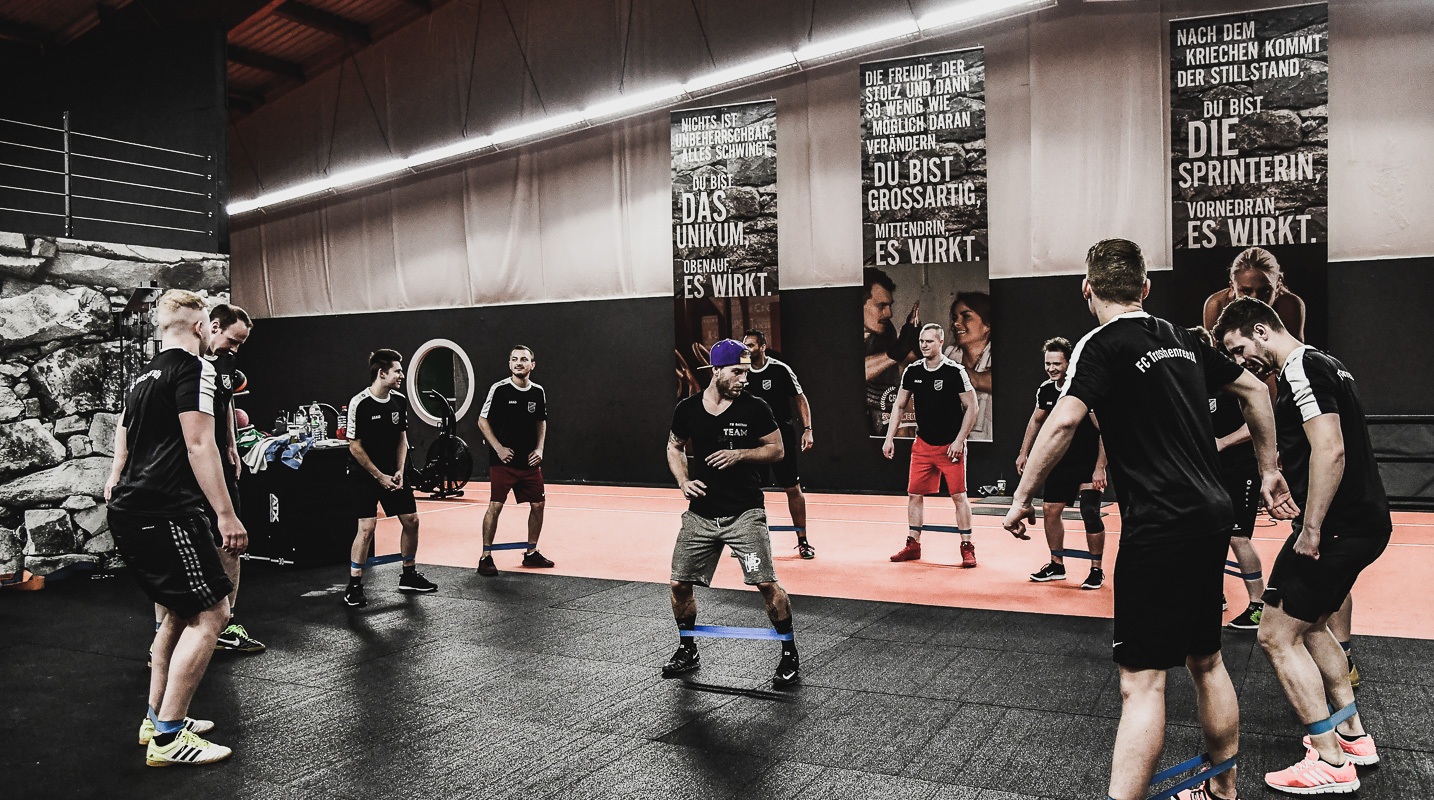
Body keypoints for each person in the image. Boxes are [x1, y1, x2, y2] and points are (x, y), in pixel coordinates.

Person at [1003, 239, 1296, 800]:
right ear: (1146, 288)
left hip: (1159, 523)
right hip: (1211, 514)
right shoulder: (1184, 339)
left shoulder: (1100, 343)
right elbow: (1257, 390)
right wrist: (1270, 469)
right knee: (1206, 659)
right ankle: (1224, 788)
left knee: (1141, 682)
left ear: (1087, 290)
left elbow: (1063, 423)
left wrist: (1022, 496)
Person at [1216, 297, 1391, 794]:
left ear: (1261, 330)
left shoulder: (1301, 368)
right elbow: (1326, 448)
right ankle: (1353, 736)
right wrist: (1285, 481)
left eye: (1239, 348)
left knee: (1274, 634)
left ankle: (1331, 763)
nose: (1239, 361)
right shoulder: (1325, 363)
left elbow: (1330, 448)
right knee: (1311, 626)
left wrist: (1311, 527)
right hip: (1358, 523)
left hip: (1336, 529)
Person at [106, 289, 248, 766]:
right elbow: (199, 444)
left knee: (173, 615)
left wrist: (113, 476)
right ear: (199, 328)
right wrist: (226, 515)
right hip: (166, 510)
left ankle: (156, 717)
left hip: (132, 506)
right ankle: (168, 737)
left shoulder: (142, 376)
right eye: (211, 327)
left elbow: (123, 433)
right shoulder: (196, 369)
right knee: (213, 615)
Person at [107, 303, 266, 657]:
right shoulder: (185, 368)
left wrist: (231, 446)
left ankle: (224, 624)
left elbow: (222, 404)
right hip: (176, 483)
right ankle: (170, 637)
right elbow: (133, 421)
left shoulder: (217, 366)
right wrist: (118, 469)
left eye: (242, 343)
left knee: (230, 548)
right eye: (233, 339)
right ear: (207, 326)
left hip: (210, 466)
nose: (235, 348)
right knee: (182, 570)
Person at [663, 339, 799, 688]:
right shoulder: (688, 408)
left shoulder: (756, 408)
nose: (744, 378)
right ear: (717, 370)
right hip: (701, 513)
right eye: (738, 371)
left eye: (747, 371)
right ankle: (687, 649)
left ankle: (788, 652)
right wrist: (683, 481)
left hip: (744, 512)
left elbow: (777, 450)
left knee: (767, 583)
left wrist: (739, 454)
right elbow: (674, 445)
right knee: (679, 583)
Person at [343, 349, 437, 607]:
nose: (401, 375)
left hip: (392, 474)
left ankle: (408, 575)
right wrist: (379, 476)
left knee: (411, 520)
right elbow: (355, 447)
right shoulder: (359, 403)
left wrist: (399, 470)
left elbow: (401, 439)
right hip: (364, 474)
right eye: (397, 371)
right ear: (381, 373)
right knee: (367, 528)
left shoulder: (399, 401)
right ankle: (354, 585)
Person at [883, 323, 980, 567]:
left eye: (929, 341)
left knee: (959, 495)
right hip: (923, 444)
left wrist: (959, 440)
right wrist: (889, 438)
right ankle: (913, 545)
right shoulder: (913, 371)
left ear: (940, 342)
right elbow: (899, 405)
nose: (924, 345)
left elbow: (972, 407)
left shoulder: (955, 371)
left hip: (950, 446)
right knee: (914, 494)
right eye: (921, 341)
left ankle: (967, 546)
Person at [1189, 326, 1266, 631]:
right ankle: (1213, 595)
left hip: (1240, 470)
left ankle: (1259, 605)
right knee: (1208, 535)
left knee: (1237, 536)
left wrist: (1221, 442)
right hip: (1211, 473)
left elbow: (1256, 425)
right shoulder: (1195, 384)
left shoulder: (1232, 380)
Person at [1017, 337, 1109, 590]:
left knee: (1089, 512)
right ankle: (1056, 565)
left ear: (1069, 363)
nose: (1052, 368)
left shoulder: (1084, 389)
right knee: (1050, 511)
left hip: (1089, 463)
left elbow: (1106, 431)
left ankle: (1096, 570)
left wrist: (1100, 467)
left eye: (1057, 363)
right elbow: (1036, 421)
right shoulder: (1046, 390)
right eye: (1048, 363)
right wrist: (1024, 452)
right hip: (1060, 463)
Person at [475, 345, 552, 576]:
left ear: (532, 365)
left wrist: (539, 448)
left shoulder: (538, 392)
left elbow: (541, 421)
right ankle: (485, 557)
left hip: (529, 462)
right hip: (503, 462)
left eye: (524, 359)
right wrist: (498, 448)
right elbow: (482, 421)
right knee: (495, 505)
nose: (519, 363)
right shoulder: (499, 389)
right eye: (514, 359)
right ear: (510, 364)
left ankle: (530, 553)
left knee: (538, 505)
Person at [741, 329, 816, 559]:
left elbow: (800, 398)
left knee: (792, 488)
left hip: (781, 440)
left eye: (751, 346)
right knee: (748, 491)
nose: (747, 350)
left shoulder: (781, 370)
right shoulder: (741, 372)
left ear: (762, 347)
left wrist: (808, 430)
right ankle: (747, 542)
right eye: (745, 346)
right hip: (752, 443)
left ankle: (802, 541)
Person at [1203, 246, 1307, 343]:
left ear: (1277, 286)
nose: (1255, 299)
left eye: (1265, 291)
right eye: (1246, 291)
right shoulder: (1216, 305)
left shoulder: (1289, 306)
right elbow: (1212, 356)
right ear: (1232, 287)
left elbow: (1295, 355)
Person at [863, 267, 920, 436]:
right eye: (881, 306)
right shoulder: (835, 333)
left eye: (889, 306)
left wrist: (913, 349)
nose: (889, 313)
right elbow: (845, 373)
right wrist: (895, 352)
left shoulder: (886, 332)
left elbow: (896, 371)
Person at [943, 291, 993, 441]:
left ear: (987, 325)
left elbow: (984, 381)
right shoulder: (951, 353)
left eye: (966, 316)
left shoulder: (999, 353)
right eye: (954, 318)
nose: (956, 324)